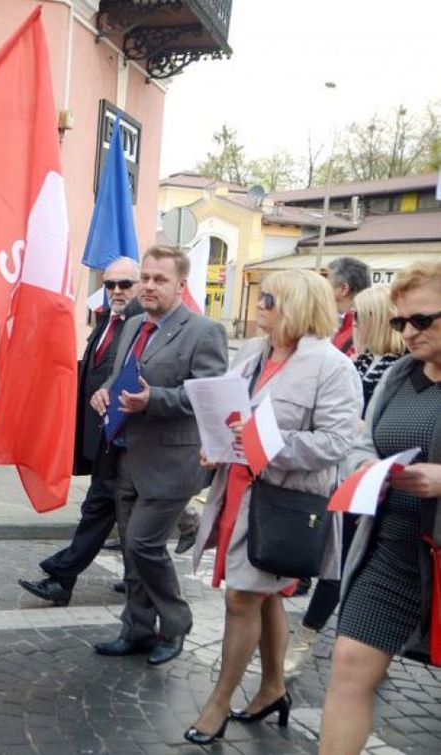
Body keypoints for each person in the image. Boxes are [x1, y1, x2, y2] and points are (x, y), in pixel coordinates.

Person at [184, 270, 361, 745]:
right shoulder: (253, 352)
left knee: (241, 597)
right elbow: (232, 416)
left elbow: (338, 441)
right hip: (237, 491)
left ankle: (218, 702)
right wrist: (216, 446)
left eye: (267, 299)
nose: (258, 306)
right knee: (263, 594)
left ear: (297, 306)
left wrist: (267, 443)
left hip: (283, 501)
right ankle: (272, 688)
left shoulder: (331, 366)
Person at [321, 260, 441, 754]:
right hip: (391, 552)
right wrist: (368, 466)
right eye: (399, 322)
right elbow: (361, 442)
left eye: (421, 321)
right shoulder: (398, 376)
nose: (407, 333)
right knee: (348, 665)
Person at [90, 245, 228, 667]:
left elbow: (208, 395)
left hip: (172, 463)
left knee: (144, 544)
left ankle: (176, 622)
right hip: (128, 454)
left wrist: (154, 400)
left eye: (159, 279)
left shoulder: (203, 331)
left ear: (181, 285)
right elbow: (119, 376)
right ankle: (136, 628)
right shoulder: (134, 325)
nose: (148, 286)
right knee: (132, 552)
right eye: (145, 277)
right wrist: (105, 393)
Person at [284, 284, 406, 677]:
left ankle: (311, 637)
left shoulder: (396, 367)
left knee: (347, 563)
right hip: (352, 474)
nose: (353, 324)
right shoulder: (362, 360)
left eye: (360, 318)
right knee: (340, 559)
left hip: (381, 481)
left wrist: (360, 429)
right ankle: (346, 642)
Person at [18, 258, 142, 606]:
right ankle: (137, 579)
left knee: (102, 509)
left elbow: (126, 376)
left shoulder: (138, 325)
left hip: (121, 438)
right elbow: (91, 368)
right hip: (99, 435)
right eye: (110, 284)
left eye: (125, 285)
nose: (117, 291)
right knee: (113, 511)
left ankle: (63, 577)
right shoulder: (107, 319)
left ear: (138, 286)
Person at [327, 256, 372, 358]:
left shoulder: (359, 332)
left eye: (327, 282)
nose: (323, 289)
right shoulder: (346, 323)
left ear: (344, 289)